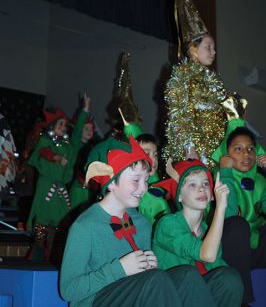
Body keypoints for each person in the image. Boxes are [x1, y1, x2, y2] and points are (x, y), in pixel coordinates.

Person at [60, 136, 228, 307]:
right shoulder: (85, 226)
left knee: (187, 274)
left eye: (146, 180)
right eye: (135, 180)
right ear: (111, 183)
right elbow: (69, 290)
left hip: (133, 293)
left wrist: (150, 265)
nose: (143, 188)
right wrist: (120, 269)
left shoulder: (141, 222)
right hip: (96, 301)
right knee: (155, 280)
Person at [164, 0, 243, 167]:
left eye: (214, 48)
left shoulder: (213, 80)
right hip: (196, 154)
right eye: (209, 47)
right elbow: (179, 115)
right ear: (192, 50)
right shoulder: (181, 78)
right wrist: (190, 148)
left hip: (218, 150)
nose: (213, 52)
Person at [153, 159, 244, 307]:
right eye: (192, 184)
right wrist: (220, 207)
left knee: (230, 278)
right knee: (189, 275)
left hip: (200, 295)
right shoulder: (168, 224)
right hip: (171, 296)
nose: (201, 189)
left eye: (205, 184)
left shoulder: (209, 232)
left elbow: (217, 267)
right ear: (179, 196)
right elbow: (206, 254)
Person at [26, 94, 90, 260]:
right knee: (41, 220)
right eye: (60, 124)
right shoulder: (46, 141)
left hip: (61, 188)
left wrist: (84, 110)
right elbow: (43, 152)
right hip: (46, 186)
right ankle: (37, 254)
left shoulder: (68, 145)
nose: (63, 127)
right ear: (52, 126)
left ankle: (51, 253)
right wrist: (56, 158)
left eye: (64, 124)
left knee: (59, 221)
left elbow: (76, 135)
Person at [212, 121, 266, 305]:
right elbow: (229, 213)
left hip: (252, 248)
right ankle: (242, 300)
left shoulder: (259, 181)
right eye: (238, 149)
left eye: (251, 149)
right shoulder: (217, 176)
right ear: (226, 154)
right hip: (225, 249)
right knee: (237, 225)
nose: (246, 154)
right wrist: (225, 171)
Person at [136, 133, 172, 226]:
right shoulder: (133, 191)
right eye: (147, 153)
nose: (154, 159)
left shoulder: (156, 182)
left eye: (155, 155)